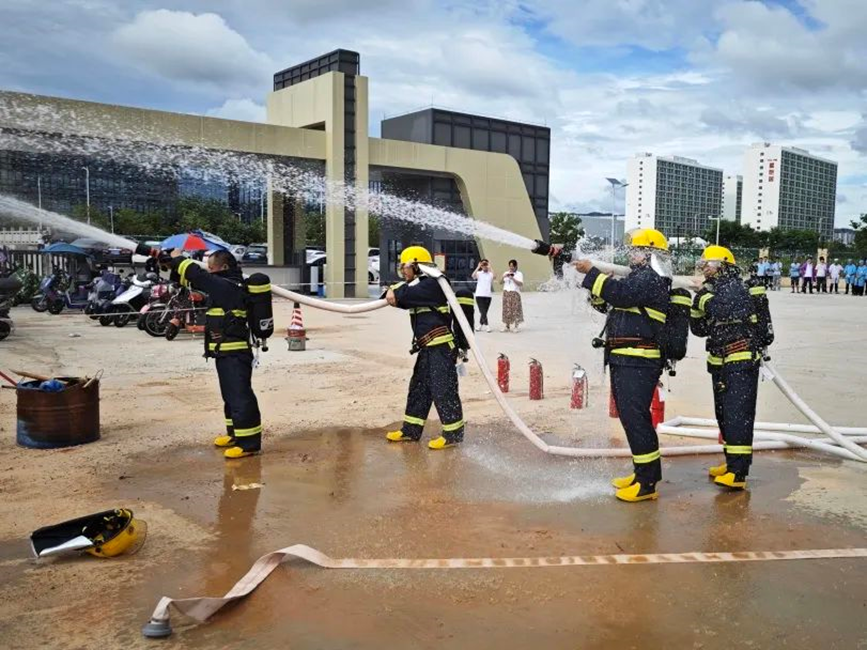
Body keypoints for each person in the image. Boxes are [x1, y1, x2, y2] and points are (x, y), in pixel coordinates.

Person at [574, 229, 671, 503]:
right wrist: (598, 290)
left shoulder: (650, 278)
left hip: (638, 360)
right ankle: (641, 473)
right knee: (631, 419)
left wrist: (593, 273)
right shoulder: (638, 278)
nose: (631, 255)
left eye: (636, 250)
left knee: (636, 419)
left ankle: (647, 484)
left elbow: (621, 295)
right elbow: (612, 305)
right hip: (626, 358)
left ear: (649, 253)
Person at [168, 249, 262, 459]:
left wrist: (177, 258)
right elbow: (187, 280)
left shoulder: (228, 286)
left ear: (224, 267)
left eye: (212, 267)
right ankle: (235, 434)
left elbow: (197, 275)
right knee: (229, 396)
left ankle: (249, 444)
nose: (209, 271)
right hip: (223, 353)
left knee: (240, 397)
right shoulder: (222, 286)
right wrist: (168, 263)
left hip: (235, 353)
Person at [691, 246, 768, 490]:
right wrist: (698, 304)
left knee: (738, 415)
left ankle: (738, 473)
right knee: (723, 414)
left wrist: (701, 296)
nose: (704, 268)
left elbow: (724, 310)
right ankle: (731, 462)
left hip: (740, 359)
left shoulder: (734, 285)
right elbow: (700, 329)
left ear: (723, 265)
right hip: (720, 360)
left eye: (708, 263)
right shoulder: (714, 290)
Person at [385, 246, 465, 450]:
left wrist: (395, 290)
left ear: (416, 265)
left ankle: (453, 434)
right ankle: (411, 430)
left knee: (443, 390)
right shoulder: (418, 285)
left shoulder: (434, 283)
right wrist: (393, 290)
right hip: (427, 348)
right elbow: (397, 296)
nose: (403, 271)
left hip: (441, 347)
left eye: (405, 267)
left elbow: (405, 296)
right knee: (418, 389)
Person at [500, 259, 524, 332]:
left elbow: (521, 284)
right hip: (506, 293)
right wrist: (504, 276)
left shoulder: (519, 274)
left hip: (515, 293)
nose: (511, 268)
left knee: (515, 310)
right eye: (510, 266)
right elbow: (500, 282)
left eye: (512, 266)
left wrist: (513, 278)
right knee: (506, 310)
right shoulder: (506, 273)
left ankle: (516, 326)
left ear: (516, 266)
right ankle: (507, 326)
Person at [472, 259, 494, 333]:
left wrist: (490, 267)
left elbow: (495, 277)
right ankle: (487, 325)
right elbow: (473, 276)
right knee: (482, 311)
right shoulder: (479, 273)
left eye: (486, 264)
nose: (484, 266)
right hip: (479, 295)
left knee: (484, 312)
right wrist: (478, 267)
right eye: (483, 265)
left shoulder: (490, 274)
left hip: (488, 295)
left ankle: (480, 325)